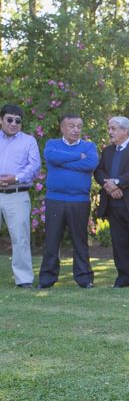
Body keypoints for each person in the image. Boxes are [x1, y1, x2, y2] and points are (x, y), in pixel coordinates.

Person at [37, 114, 99, 289]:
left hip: (79, 201)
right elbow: (51, 157)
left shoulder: (89, 146)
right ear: (62, 128)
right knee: (51, 241)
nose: (76, 129)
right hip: (55, 199)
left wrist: (63, 162)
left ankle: (84, 278)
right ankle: (46, 280)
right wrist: (77, 157)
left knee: (80, 240)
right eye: (71, 126)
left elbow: (91, 163)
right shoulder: (52, 145)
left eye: (79, 126)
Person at [94, 116, 129, 290]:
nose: (109, 132)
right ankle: (123, 278)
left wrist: (117, 182)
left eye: (113, 128)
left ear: (125, 130)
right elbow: (99, 171)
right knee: (119, 245)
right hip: (113, 205)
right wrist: (110, 186)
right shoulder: (107, 151)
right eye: (109, 128)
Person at [0, 104, 41, 288]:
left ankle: (24, 280)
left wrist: (15, 177)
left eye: (18, 121)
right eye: (9, 119)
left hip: (17, 194)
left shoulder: (28, 141)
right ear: (1, 120)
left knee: (20, 238)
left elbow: (34, 166)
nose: (14, 123)